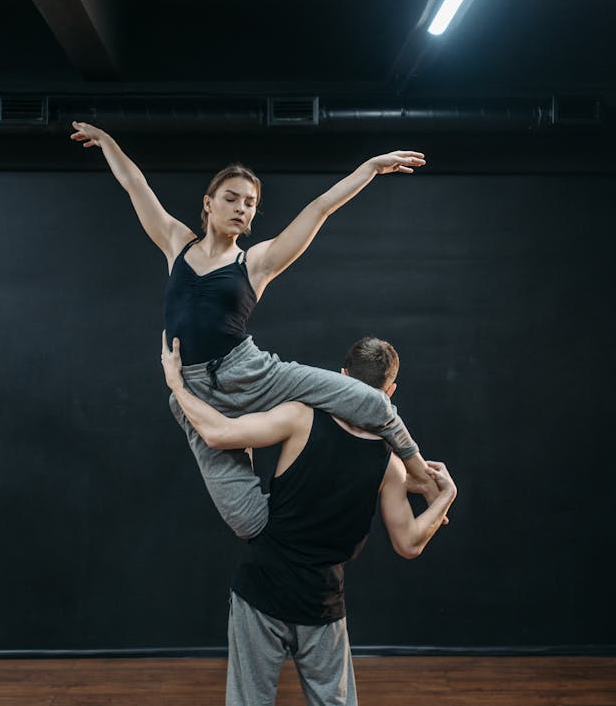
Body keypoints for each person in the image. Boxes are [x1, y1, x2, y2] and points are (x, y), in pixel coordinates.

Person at [161, 331, 457, 706]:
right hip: (324, 603)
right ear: (392, 391)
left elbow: (217, 431)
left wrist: (177, 383)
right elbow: (409, 544)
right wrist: (445, 498)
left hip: (261, 592)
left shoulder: (300, 415)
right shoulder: (391, 465)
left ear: (341, 379)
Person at [71, 122, 440, 536]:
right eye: (231, 198)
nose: (241, 208)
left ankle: (417, 471)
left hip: (251, 374)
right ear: (208, 203)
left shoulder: (257, 262)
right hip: (194, 392)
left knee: (368, 401)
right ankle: (312, 523)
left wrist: (369, 169)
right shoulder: (177, 243)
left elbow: (318, 208)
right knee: (249, 524)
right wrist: (108, 143)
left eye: (249, 202)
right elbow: (135, 184)